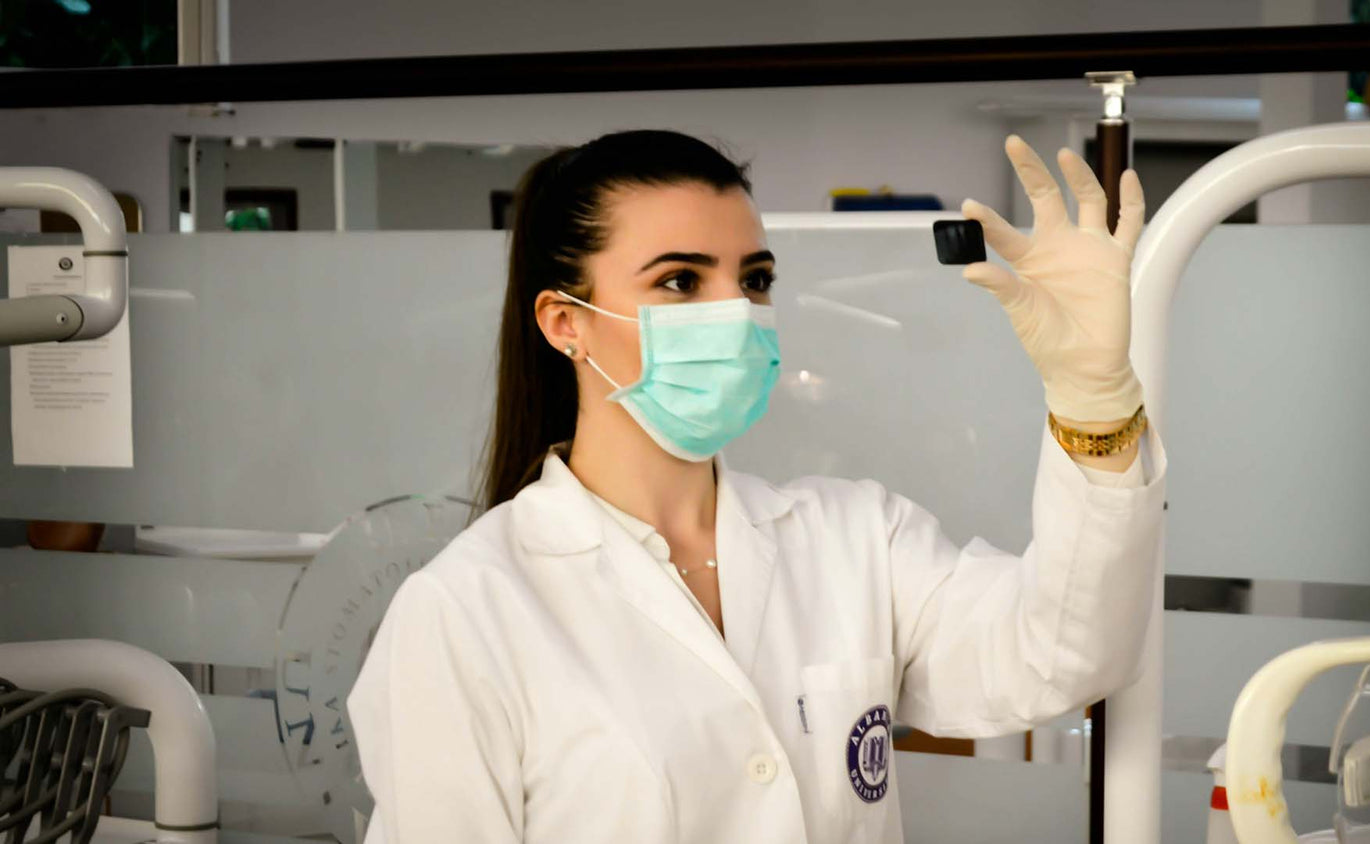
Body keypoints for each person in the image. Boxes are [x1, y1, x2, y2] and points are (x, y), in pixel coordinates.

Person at [346, 128, 1167, 843]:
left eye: (755, 278)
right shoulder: (466, 611)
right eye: (680, 281)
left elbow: (1065, 654)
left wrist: (1092, 401)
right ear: (566, 323)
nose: (736, 312)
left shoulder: (855, 538)